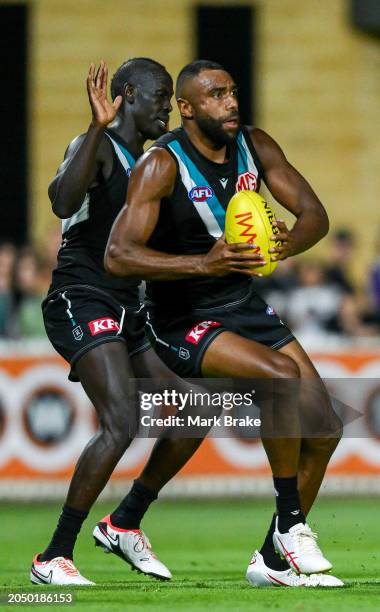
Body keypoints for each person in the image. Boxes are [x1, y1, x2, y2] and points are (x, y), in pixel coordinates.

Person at [105, 60, 344, 588]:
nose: (230, 102)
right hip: (179, 316)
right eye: (216, 95)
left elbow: (314, 215)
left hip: (241, 305)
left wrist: (287, 243)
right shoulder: (161, 164)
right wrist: (202, 264)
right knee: (279, 378)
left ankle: (273, 563)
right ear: (186, 108)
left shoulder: (255, 144)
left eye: (233, 92)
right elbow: (119, 255)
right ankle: (291, 523)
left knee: (324, 430)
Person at [31, 58, 208, 586]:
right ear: (128, 95)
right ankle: (53, 556)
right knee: (122, 419)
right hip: (81, 297)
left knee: (193, 412)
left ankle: (124, 521)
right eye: (158, 97)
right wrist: (94, 128)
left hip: (130, 309)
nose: (166, 108)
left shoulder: (159, 160)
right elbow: (61, 199)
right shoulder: (98, 147)